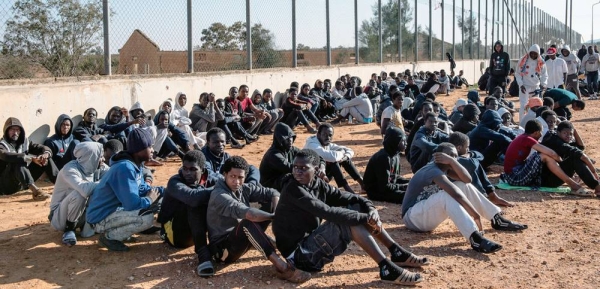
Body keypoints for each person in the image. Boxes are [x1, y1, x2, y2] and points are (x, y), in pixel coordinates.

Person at [273, 149, 426, 286]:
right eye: (295, 167)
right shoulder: (293, 189)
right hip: (299, 257)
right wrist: (365, 218)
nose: (297, 172)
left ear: (317, 170)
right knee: (348, 221)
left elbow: (350, 198)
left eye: (304, 168)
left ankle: (396, 251)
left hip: (309, 244)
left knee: (355, 209)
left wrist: (371, 209)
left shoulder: (318, 184)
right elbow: (327, 212)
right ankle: (385, 268)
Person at [403, 143, 527, 254]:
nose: (453, 158)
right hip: (413, 218)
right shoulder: (433, 169)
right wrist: (475, 215)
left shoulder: (446, 168)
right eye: (450, 155)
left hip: (425, 215)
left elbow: (468, 179)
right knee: (446, 195)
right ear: (438, 156)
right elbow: (455, 194)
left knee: (463, 184)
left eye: (455, 155)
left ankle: (497, 218)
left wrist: (453, 162)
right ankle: (475, 238)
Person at [207, 156, 311, 283]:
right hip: (223, 250)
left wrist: (275, 208)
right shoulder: (220, 195)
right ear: (225, 175)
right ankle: (283, 268)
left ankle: (285, 242)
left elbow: (273, 192)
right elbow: (250, 215)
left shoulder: (243, 188)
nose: (237, 182)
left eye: (240, 177)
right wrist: (275, 216)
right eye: (232, 176)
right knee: (248, 221)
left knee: (270, 205)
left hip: (238, 239)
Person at [86, 128, 164, 251]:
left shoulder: (135, 164)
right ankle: (109, 237)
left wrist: (164, 191)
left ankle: (121, 234)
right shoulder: (125, 168)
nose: (153, 150)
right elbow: (131, 204)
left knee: (160, 199)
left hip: (114, 211)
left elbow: (142, 188)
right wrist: (149, 199)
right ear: (140, 150)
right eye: (150, 146)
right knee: (147, 218)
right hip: (100, 218)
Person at [157, 150, 216, 277]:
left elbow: (227, 182)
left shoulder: (211, 178)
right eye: (185, 168)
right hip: (176, 235)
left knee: (221, 199)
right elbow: (193, 198)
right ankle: (203, 254)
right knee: (194, 201)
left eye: (193, 169)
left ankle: (228, 241)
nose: (187, 173)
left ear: (202, 169)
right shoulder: (175, 182)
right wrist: (219, 189)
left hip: (196, 230)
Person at [49, 142, 104, 246]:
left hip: (80, 212)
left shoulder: (94, 167)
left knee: (98, 191)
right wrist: (104, 181)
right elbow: (84, 190)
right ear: (91, 156)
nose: (103, 159)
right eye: (100, 156)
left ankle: (87, 226)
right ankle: (69, 229)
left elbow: (112, 174)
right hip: (60, 216)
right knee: (80, 193)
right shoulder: (69, 169)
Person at [449, 132, 512, 207]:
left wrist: (470, 154)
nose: (468, 149)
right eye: (467, 147)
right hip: (451, 189)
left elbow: (480, 155)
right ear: (459, 148)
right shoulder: (450, 157)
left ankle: (491, 195)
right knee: (473, 167)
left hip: (460, 187)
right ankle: (484, 197)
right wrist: (471, 158)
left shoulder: (462, 155)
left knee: (475, 164)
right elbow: (473, 163)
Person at [0, 117, 56, 199]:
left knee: (45, 160)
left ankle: (62, 184)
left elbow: (42, 148)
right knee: (18, 160)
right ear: (6, 131)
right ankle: (36, 192)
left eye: (17, 130)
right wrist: (29, 158)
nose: (15, 132)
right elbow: (6, 155)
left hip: (22, 183)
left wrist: (44, 155)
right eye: (12, 129)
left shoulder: (25, 142)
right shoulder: (2, 145)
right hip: (6, 186)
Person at [259, 123, 326, 191]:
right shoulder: (273, 155)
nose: (290, 140)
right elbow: (291, 169)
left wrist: (322, 168)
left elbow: (313, 156)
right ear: (280, 140)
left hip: (283, 180)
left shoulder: (291, 149)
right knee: (298, 175)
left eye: (291, 137)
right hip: (270, 186)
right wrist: (314, 171)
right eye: (287, 138)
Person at [541, 121, 600, 196]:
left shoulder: (556, 137)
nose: (568, 136)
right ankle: (597, 186)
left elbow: (581, 147)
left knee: (576, 156)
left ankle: (596, 185)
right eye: (565, 133)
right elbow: (583, 156)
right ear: (558, 132)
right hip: (546, 181)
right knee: (575, 159)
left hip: (553, 176)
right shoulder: (556, 142)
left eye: (570, 134)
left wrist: (574, 131)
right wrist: (594, 173)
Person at [304, 123, 364, 194]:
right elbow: (333, 157)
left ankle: (363, 184)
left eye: (330, 135)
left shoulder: (326, 143)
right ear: (318, 134)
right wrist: (342, 153)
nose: (328, 138)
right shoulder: (312, 144)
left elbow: (349, 150)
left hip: (322, 174)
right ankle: (347, 188)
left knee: (344, 159)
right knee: (333, 161)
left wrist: (345, 156)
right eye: (325, 135)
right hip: (310, 178)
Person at [363, 127, 410, 203]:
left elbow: (395, 177)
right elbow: (384, 187)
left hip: (388, 187)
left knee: (413, 190)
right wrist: (403, 187)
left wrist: (410, 182)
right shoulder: (383, 158)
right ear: (395, 141)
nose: (406, 143)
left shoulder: (395, 155)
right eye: (403, 141)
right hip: (376, 191)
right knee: (409, 196)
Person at [515, 44, 548, 120]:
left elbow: (544, 74)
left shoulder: (541, 62)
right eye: (531, 53)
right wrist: (521, 85)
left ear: (538, 54)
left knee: (536, 106)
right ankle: (522, 123)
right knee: (524, 106)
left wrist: (543, 84)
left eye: (535, 53)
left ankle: (534, 123)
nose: (533, 55)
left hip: (536, 87)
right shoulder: (523, 60)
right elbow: (518, 74)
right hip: (524, 87)